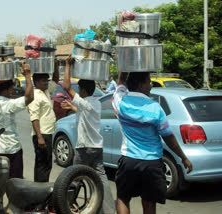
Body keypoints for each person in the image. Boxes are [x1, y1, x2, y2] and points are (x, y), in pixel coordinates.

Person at [112, 72, 193, 214]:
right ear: (140, 84)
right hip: (152, 163)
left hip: (129, 160)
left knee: (123, 198)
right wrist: (183, 157)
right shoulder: (155, 108)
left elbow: (120, 83)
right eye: (149, 82)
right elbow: (168, 137)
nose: (150, 85)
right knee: (149, 201)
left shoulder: (121, 103)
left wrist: (125, 65)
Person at [60, 57, 116, 214]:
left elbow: (65, 86)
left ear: (83, 91)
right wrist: (72, 106)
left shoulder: (84, 102)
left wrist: (67, 65)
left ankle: (66, 206)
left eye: (78, 90)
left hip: (84, 148)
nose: (77, 92)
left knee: (73, 178)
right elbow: (84, 113)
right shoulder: (96, 102)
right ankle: (109, 210)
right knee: (101, 179)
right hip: (97, 147)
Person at [0, 63, 33, 179]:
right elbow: (30, 97)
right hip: (12, 150)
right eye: (11, 88)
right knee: (15, 183)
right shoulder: (10, 105)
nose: (12, 91)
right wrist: (27, 75)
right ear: (5, 89)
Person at [27, 61, 59, 182]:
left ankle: (41, 189)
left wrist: (55, 62)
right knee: (42, 165)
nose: (46, 82)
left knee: (46, 164)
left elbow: (55, 79)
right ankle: (39, 191)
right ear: (36, 82)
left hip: (47, 133)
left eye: (47, 80)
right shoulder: (35, 96)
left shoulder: (45, 92)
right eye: (43, 80)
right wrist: (40, 137)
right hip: (42, 134)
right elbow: (34, 118)